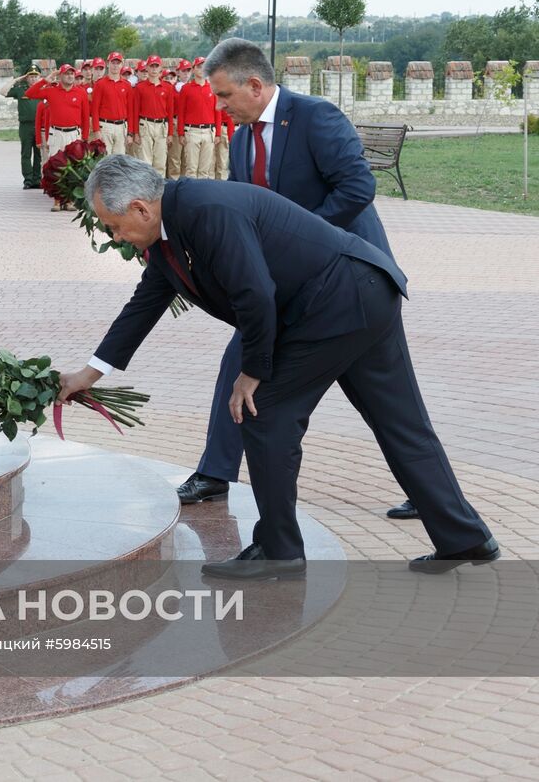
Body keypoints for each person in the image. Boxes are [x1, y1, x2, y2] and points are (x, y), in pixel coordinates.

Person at [57, 156, 499, 576]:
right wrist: (89, 373)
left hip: (338, 301)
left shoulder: (205, 210)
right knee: (402, 423)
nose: (115, 237)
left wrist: (252, 373)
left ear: (140, 208)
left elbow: (254, 293)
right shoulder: (170, 231)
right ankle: (464, 536)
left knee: (260, 411)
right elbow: (145, 304)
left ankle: (279, 551)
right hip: (361, 294)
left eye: (114, 226)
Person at [172, 38, 410, 518]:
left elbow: (359, 187)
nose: (218, 107)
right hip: (283, 285)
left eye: (223, 96)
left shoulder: (314, 117)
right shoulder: (241, 140)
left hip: (353, 280)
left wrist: (307, 239)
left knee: (390, 400)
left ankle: (430, 495)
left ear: (254, 86)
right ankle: (216, 471)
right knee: (238, 360)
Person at [24, 63, 90, 162]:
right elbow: (29, 94)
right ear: (60, 76)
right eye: (66, 74)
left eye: (72, 74)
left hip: (74, 135)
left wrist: (84, 138)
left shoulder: (81, 92)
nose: (70, 76)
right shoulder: (51, 91)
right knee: (55, 166)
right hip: (56, 134)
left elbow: (85, 117)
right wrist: (46, 80)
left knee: (75, 166)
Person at [129, 55, 173, 174]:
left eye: (156, 66)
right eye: (151, 66)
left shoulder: (168, 88)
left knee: (160, 162)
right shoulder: (140, 87)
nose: (154, 69)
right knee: (145, 162)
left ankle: (160, 192)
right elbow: (135, 111)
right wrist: (136, 133)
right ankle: (145, 192)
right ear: (147, 68)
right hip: (145, 125)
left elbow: (170, 112)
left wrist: (170, 133)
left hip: (162, 126)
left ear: (161, 69)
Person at [2, 63, 43, 190]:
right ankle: (28, 180)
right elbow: (3, 92)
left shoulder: (44, 89)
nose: (33, 79)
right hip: (26, 126)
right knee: (26, 153)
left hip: (40, 126)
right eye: (30, 76)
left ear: (39, 77)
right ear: (26, 77)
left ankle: (38, 180)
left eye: (36, 76)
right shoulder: (21, 90)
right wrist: (16, 79)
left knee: (39, 154)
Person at [91, 51, 131, 153]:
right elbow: (94, 109)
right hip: (105, 127)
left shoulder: (127, 85)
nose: (115, 66)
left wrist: (130, 132)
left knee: (119, 161)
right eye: (113, 63)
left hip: (122, 127)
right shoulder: (100, 84)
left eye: (118, 63)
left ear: (122, 64)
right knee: (105, 160)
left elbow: (130, 110)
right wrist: (96, 130)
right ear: (108, 64)